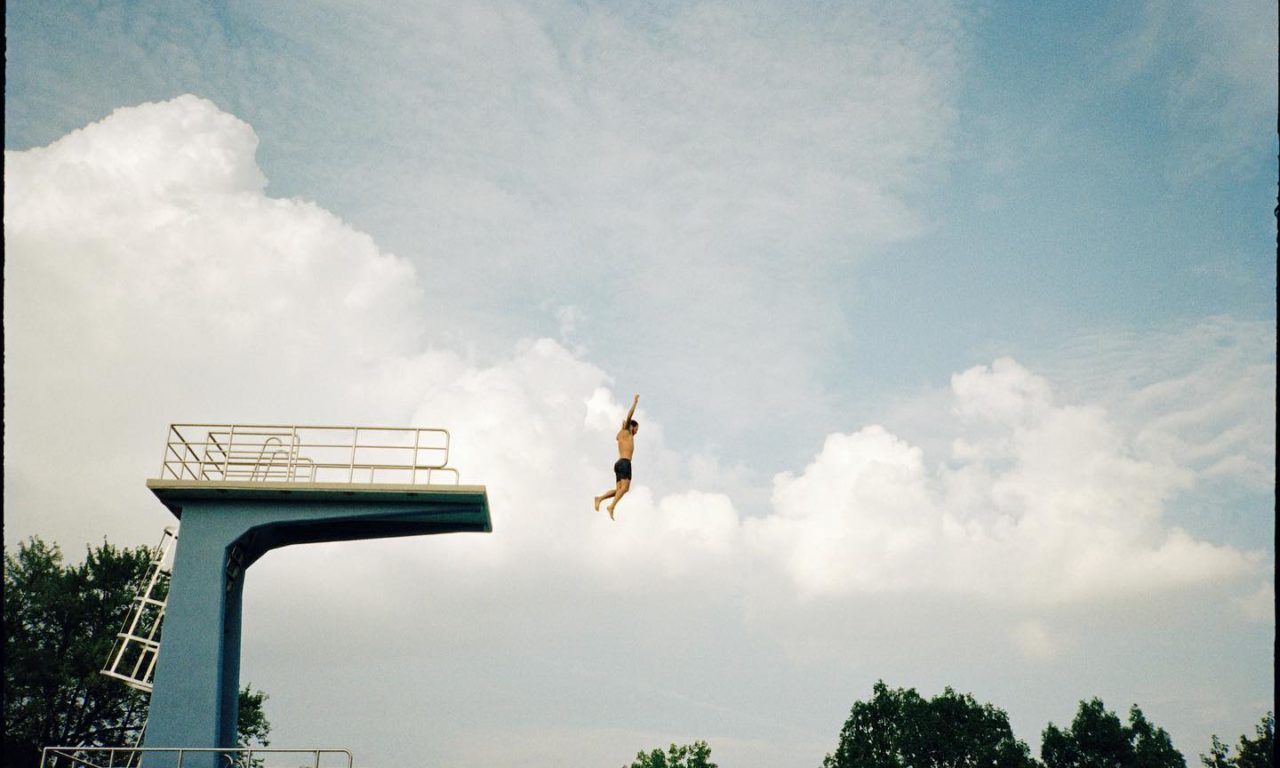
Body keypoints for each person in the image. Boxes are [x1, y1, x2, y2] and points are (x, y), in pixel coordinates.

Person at [594, 394, 639, 520]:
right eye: (636, 429)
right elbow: (629, 416)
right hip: (625, 463)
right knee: (625, 488)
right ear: (632, 426)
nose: (637, 431)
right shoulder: (627, 431)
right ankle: (611, 506)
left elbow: (617, 437)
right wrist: (635, 402)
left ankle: (599, 498)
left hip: (618, 464)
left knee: (619, 490)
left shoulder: (621, 433)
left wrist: (622, 428)